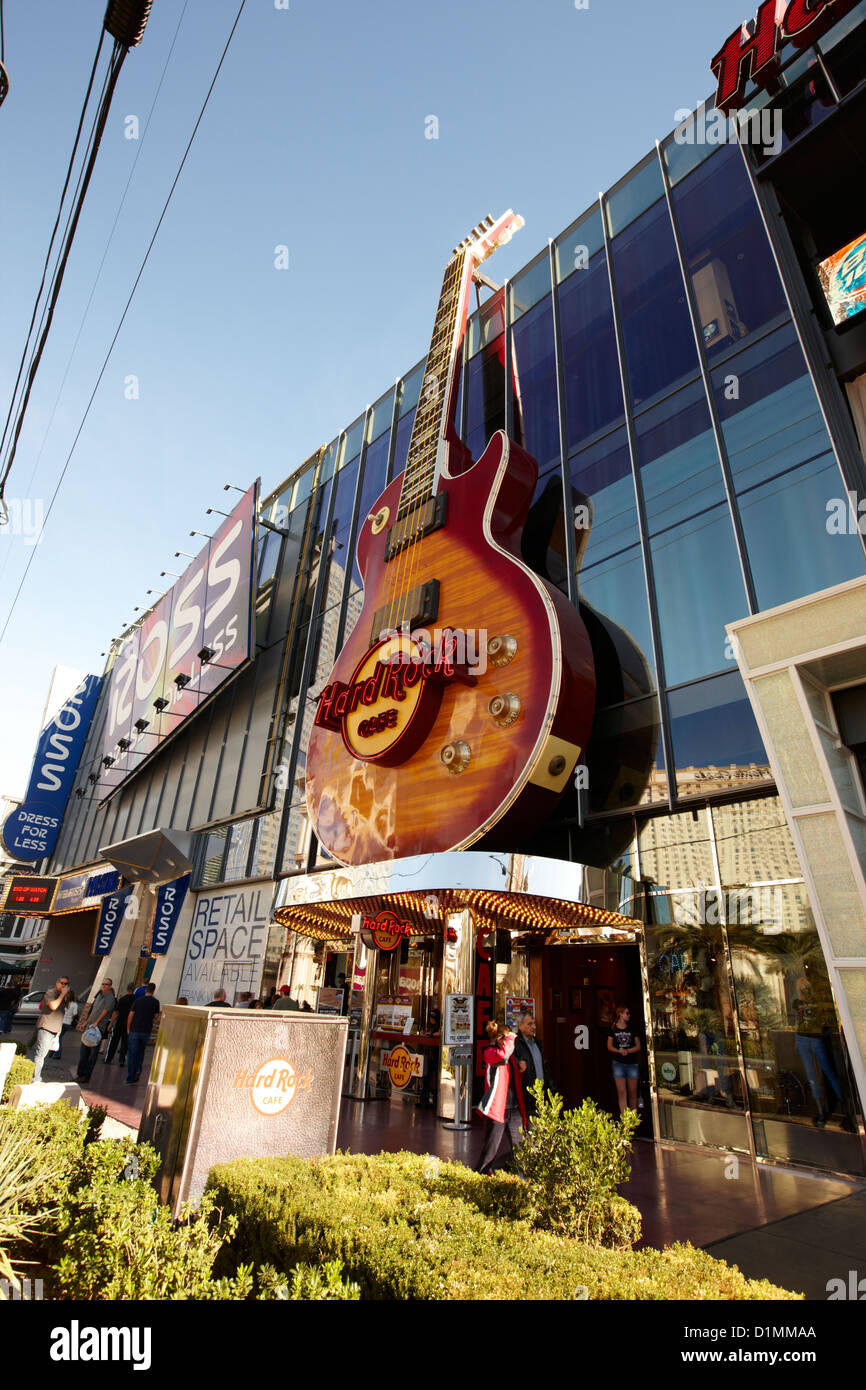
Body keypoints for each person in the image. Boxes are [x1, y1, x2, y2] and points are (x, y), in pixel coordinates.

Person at [473, 1020, 526, 1175]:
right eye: (508, 1039)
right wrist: (511, 1038)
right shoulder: (490, 1052)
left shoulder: (511, 1057)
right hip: (497, 1110)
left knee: (521, 1149)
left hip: (513, 1108)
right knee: (490, 1151)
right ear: (500, 1039)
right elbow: (502, 1056)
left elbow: (512, 1079)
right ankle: (479, 1176)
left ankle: (517, 1177)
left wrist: (521, 1069)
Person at [75, 978, 116, 1084]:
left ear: (110, 986)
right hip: (90, 1026)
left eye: (106, 984)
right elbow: (93, 1010)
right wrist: (86, 1021)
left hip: (98, 1028)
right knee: (84, 1052)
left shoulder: (110, 998)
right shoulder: (98, 995)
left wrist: (97, 1022)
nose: (104, 986)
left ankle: (86, 1076)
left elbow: (105, 1010)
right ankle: (80, 1073)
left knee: (92, 1054)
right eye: (103, 984)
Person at [29, 976, 70, 1081]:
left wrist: (65, 996)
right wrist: (62, 994)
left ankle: (35, 1075)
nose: (64, 985)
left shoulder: (63, 996)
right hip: (46, 1027)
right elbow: (53, 1006)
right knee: (40, 1054)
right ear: (57, 983)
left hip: (55, 1029)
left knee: (44, 1053)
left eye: (66, 984)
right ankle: (36, 1077)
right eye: (62, 983)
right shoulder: (51, 993)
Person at [512, 1011, 549, 1119]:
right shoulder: (515, 1044)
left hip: (541, 1096)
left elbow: (545, 1069)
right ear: (520, 1025)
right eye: (529, 1024)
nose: (533, 1027)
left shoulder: (538, 1043)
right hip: (526, 1099)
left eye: (534, 1023)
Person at [608, 1003, 641, 1115]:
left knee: (633, 1091)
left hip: (632, 1062)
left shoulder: (632, 1028)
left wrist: (628, 1051)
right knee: (622, 1092)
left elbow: (638, 1046)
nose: (629, 1015)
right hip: (618, 1063)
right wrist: (618, 1051)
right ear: (620, 1014)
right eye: (627, 1013)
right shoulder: (613, 1029)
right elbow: (609, 1046)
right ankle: (625, 1120)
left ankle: (633, 1119)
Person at [126, 982, 161, 1084]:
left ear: (146, 990)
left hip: (135, 1029)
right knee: (141, 1052)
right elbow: (155, 1016)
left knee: (132, 1054)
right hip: (146, 1030)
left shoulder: (138, 1001)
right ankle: (138, 1070)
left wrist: (128, 1028)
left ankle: (130, 1077)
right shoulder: (155, 1002)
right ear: (153, 991)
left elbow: (130, 1015)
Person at [104, 982, 136, 1065]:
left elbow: (116, 1012)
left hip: (119, 1022)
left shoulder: (122, 999)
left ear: (127, 989)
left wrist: (111, 1024)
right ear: (134, 989)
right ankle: (121, 1060)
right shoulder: (136, 999)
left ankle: (108, 1058)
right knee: (125, 1042)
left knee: (114, 1041)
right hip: (129, 1024)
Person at [55, 989, 79, 1060]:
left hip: (61, 1022)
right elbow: (75, 1014)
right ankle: (53, 1052)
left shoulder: (63, 1003)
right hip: (68, 1023)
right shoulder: (74, 1004)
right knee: (59, 1037)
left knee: (58, 1038)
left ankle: (57, 1053)